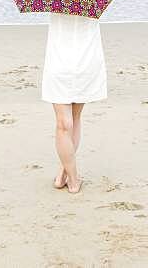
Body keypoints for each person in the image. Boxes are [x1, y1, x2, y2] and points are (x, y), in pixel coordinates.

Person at [41, 10, 107, 194]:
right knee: (70, 121)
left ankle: (68, 174)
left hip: (71, 63)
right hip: (77, 63)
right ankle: (70, 176)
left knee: (67, 123)